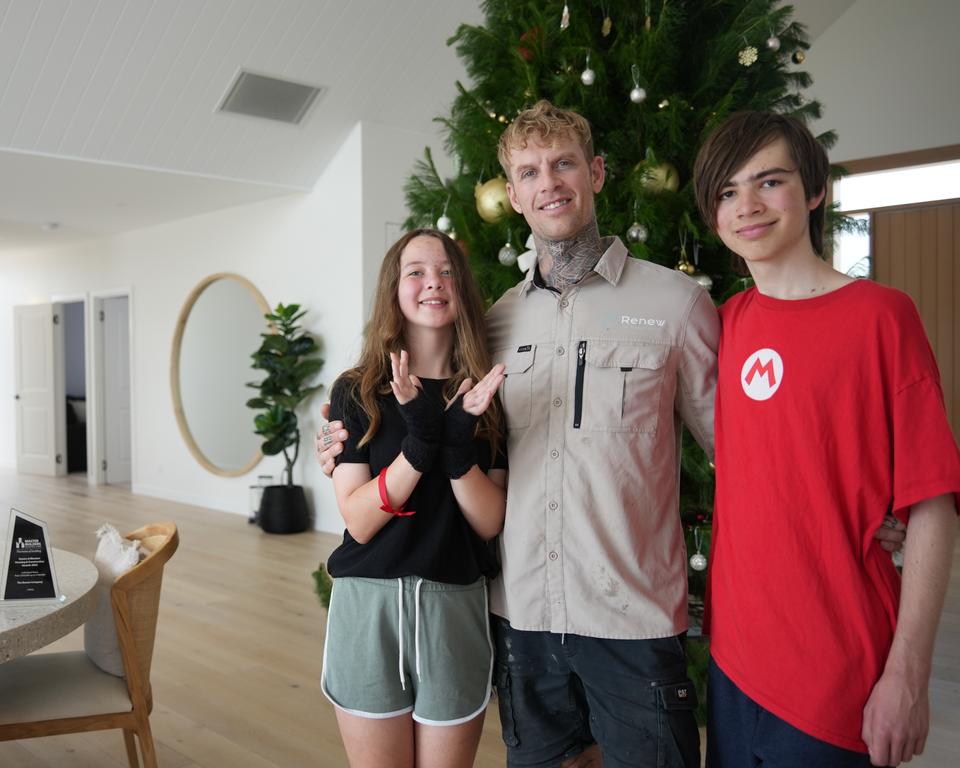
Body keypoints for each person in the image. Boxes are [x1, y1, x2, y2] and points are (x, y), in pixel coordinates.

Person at [323, 101, 718, 767]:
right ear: (512, 194)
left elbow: (740, 453)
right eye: (530, 171)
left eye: (564, 163)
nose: (550, 182)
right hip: (523, 621)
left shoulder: (675, 304)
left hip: (631, 618)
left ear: (595, 172)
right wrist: (355, 439)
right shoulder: (497, 326)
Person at [692, 111, 960, 767]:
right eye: (726, 191)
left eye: (769, 182)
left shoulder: (880, 318)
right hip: (733, 666)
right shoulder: (719, 327)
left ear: (814, 192)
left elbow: (931, 505)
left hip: (838, 670)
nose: (746, 206)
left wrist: (908, 674)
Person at [320, 227, 508, 768]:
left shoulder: (484, 396)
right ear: (394, 290)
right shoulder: (356, 391)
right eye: (417, 272)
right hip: (368, 609)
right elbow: (358, 520)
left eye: (448, 271)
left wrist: (454, 446)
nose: (434, 283)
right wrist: (420, 446)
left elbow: (489, 520)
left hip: (454, 612)